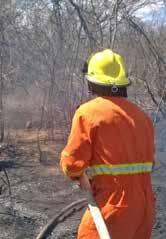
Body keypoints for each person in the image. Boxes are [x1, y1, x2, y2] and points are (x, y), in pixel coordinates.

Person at [59, 49, 156, 238]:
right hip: (145, 207)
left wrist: (74, 172)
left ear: (92, 83)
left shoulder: (88, 113)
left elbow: (72, 164)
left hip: (112, 206)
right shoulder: (143, 117)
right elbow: (150, 163)